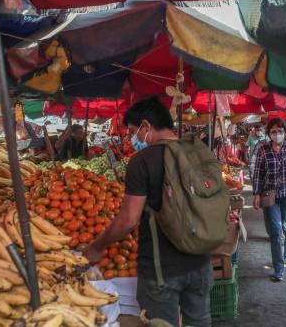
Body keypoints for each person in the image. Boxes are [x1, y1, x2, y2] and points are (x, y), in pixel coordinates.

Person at [83, 97, 212, 327]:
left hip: (162, 271)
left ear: (145, 126)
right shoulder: (199, 152)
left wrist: (96, 246)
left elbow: (128, 219)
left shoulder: (142, 161)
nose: (133, 138)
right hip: (201, 262)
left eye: (133, 131)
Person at [252, 118, 286, 282]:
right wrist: (256, 194)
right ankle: (278, 268)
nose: (277, 134)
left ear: (284, 132)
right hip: (270, 196)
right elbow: (258, 174)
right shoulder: (263, 150)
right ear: (269, 134)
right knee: (276, 232)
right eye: (273, 131)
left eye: (279, 131)